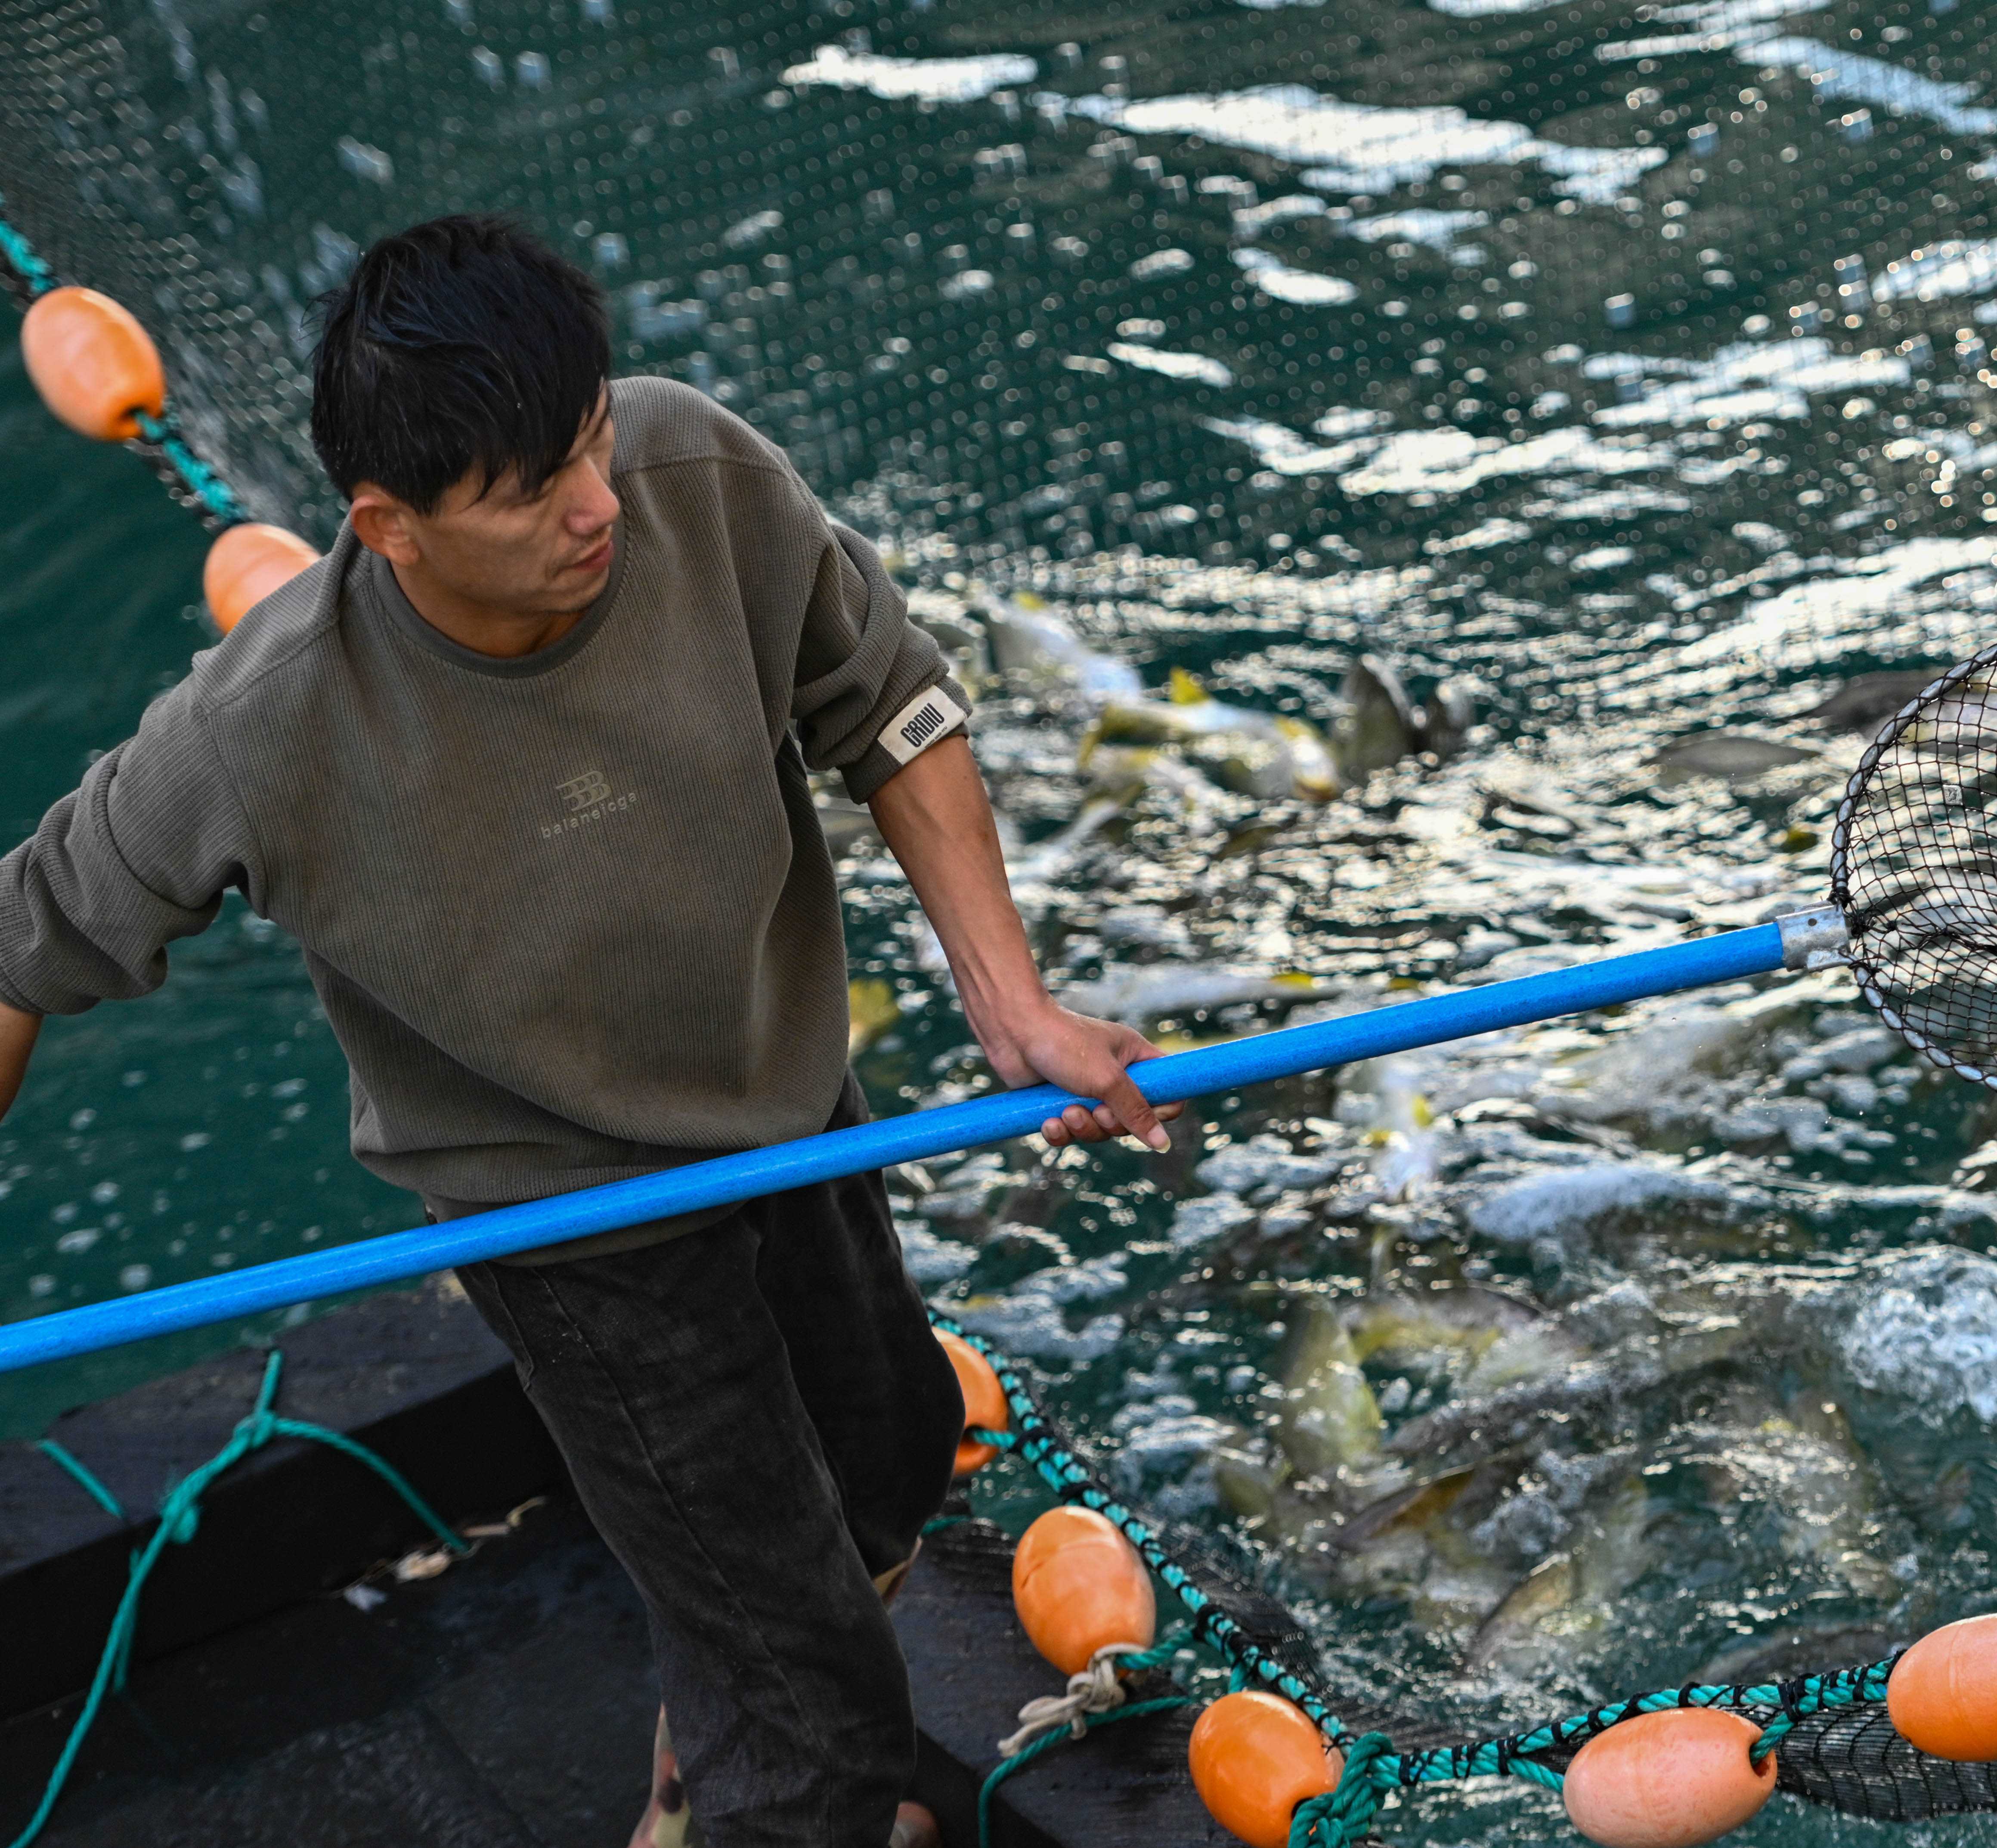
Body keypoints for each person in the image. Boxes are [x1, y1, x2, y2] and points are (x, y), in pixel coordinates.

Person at [0, 214, 1181, 1848]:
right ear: (389, 527)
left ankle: (703, 1755)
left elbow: (891, 703)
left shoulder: (694, 469)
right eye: (530, 490)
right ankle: (750, 1778)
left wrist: (1012, 1002)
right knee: (814, 1715)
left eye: (590, 442)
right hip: (568, 1214)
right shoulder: (266, 723)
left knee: (896, 1449)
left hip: (787, 1097)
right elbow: (20, 946)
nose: (597, 506)